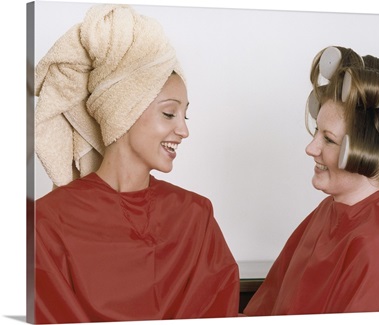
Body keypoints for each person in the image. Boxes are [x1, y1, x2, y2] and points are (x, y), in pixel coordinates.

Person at [32, 4, 239, 323]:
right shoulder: (47, 224)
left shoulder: (195, 216)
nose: (184, 130)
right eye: (169, 113)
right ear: (122, 112)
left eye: (185, 115)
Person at [244, 46, 379, 315]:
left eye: (328, 139)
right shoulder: (329, 211)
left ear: (368, 152)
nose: (310, 148)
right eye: (317, 131)